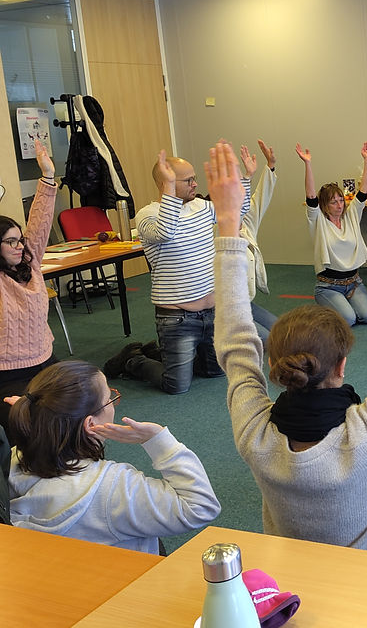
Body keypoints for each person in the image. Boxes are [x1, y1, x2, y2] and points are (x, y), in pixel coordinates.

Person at [211, 142, 367, 554]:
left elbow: (234, 344)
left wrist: (227, 222)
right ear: (343, 366)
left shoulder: (256, 437)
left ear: (275, 364)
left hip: (292, 599)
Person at [4, 360, 220, 553]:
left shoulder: (12, 460)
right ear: (90, 424)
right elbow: (200, 507)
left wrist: (37, 421)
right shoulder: (114, 488)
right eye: (110, 399)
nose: (113, 403)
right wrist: (159, 441)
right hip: (127, 587)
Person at [103, 149, 250, 395]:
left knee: (215, 371)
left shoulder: (202, 207)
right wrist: (170, 188)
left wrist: (246, 177)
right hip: (177, 319)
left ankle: (161, 352)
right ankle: (133, 360)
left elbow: (237, 213)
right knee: (177, 386)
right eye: (188, 180)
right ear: (166, 183)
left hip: (211, 314)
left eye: (194, 178)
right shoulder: (147, 215)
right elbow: (165, 232)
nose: (195, 184)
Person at [1, 140, 58, 433]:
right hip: (8, 373)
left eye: (19, 239)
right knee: (26, 428)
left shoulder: (29, 264)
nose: (18, 245)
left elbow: (40, 221)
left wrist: (47, 175)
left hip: (45, 359)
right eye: (9, 241)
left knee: (70, 415)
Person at [295, 142, 367, 327]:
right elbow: (310, 196)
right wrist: (307, 164)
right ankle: (326, 303)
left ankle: (343, 304)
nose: (340, 205)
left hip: (354, 283)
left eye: (341, 200)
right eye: (333, 202)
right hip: (328, 285)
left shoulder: (351, 215)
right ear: (324, 206)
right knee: (349, 320)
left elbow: (363, 191)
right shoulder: (318, 221)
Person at [240, 140, 279, 343]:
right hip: (225, 307)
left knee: (280, 331)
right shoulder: (214, 231)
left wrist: (269, 166)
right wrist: (247, 177)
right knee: (266, 341)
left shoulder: (246, 224)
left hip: (246, 302)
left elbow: (260, 198)